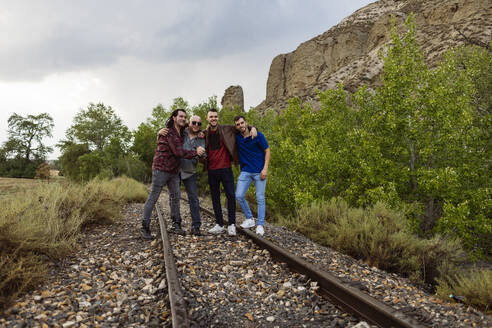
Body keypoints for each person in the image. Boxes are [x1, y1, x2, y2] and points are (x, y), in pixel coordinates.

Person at [141, 109, 205, 240]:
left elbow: (194, 125)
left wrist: (201, 131)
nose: (183, 118)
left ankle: (176, 224)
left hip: (174, 171)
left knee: (175, 197)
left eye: (184, 117)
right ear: (174, 118)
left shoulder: (181, 131)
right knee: (153, 197)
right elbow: (178, 152)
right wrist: (195, 153)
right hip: (161, 169)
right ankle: (144, 227)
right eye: (180, 116)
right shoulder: (168, 132)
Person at [204, 108, 257, 236]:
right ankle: (219, 224)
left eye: (215, 116)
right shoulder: (204, 133)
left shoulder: (227, 128)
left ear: (218, 117)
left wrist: (253, 128)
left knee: (231, 196)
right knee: (215, 198)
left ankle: (231, 224)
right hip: (211, 170)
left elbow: (242, 127)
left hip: (226, 168)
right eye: (211, 117)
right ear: (207, 119)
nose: (213, 119)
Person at [234, 115, 270, 236]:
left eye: (242, 123)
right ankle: (249, 219)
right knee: (239, 195)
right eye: (238, 124)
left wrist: (265, 169)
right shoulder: (238, 137)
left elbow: (267, 151)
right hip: (246, 171)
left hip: (259, 171)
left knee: (260, 197)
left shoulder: (258, 135)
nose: (240, 126)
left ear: (246, 123)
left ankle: (260, 225)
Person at [180, 115, 206, 236]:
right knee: (174, 197)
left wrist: (202, 155)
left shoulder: (201, 138)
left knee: (194, 199)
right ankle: (176, 224)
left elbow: (203, 159)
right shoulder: (181, 132)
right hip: (176, 169)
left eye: (199, 124)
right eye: (193, 122)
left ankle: (196, 226)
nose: (196, 125)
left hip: (190, 171)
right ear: (188, 123)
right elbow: (172, 124)